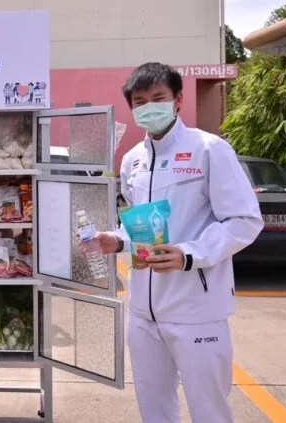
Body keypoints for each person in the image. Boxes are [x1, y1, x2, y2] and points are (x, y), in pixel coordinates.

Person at [96, 62, 263, 423]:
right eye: (140, 101)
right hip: (142, 311)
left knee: (209, 410)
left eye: (158, 97)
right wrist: (117, 240)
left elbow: (244, 220)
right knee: (154, 408)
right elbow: (142, 227)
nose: (149, 106)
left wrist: (190, 255)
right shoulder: (132, 161)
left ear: (178, 100)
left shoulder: (210, 150)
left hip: (197, 311)